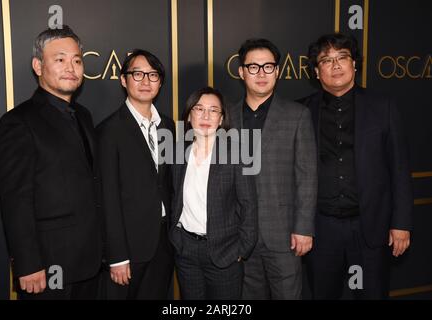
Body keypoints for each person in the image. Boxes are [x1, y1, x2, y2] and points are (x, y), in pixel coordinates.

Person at [298, 33, 413, 299]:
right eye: (326, 60)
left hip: (370, 227)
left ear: (355, 64)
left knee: (371, 293)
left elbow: (399, 169)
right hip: (321, 228)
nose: (335, 65)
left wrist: (402, 223)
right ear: (316, 71)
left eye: (342, 58)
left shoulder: (383, 107)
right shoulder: (302, 111)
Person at [0, 25, 103, 299]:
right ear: (38, 66)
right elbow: (16, 200)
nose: (71, 67)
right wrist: (28, 264)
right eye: (60, 59)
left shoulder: (84, 115)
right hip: (48, 267)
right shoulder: (18, 122)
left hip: (90, 262)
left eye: (77, 60)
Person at [228, 39, 317, 299]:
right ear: (241, 72)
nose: (261, 73)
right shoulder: (226, 116)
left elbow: (307, 176)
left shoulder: (297, 115)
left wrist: (304, 228)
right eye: (253, 67)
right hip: (239, 234)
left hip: (284, 234)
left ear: (278, 71)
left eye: (268, 67)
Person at [97, 49, 175, 299]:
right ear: (123, 80)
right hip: (128, 249)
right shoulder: (109, 131)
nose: (145, 81)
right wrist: (117, 255)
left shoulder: (168, 125)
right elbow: (107, 196)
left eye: (153, 75)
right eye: (137, 74)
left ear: (160, 82)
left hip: (165, 243)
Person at [170, 87, 257, 300]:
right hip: (186, 251)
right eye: (199, 109)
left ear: (221, 119)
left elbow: (249, 205)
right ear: (189, 115)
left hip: (224, 253)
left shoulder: (236, 153)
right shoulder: (177, 152)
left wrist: (241, 250)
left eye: (213, 110)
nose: (205, 116)